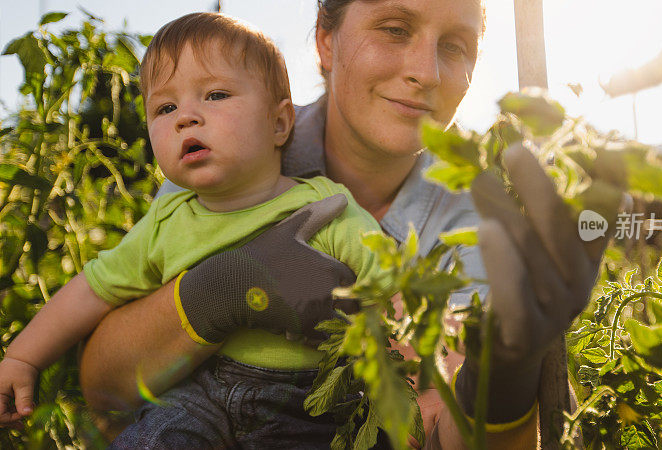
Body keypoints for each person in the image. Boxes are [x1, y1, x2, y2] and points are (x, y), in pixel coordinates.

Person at [76, 1, 607, 448]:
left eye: (455, 46)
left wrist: (506, 372)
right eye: (395, 29)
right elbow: (106, 391)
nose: (427, 71)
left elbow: (450, 432)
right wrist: (226, 288)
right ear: (326, 42)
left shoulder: (476, 228)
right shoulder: (230, 148)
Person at [0, 12, 396, 447]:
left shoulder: (323, 206)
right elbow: (92, 290)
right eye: (165, 107)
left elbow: (394, 290)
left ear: (279, 123)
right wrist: (22, 358)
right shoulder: (168, 221)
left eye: (215, 94)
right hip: (193, 391)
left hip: (306, 399)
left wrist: (420, 384)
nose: (185, 117)